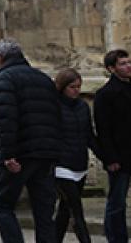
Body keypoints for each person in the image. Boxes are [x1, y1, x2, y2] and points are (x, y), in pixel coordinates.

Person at [0, 38, 61, 243]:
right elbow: (56, 116)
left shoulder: (4, 79)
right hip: (46, 153)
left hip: (20, 154)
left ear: (0, 58)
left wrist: (8, 154)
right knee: (44, 211)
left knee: (2, 204)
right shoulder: (44, 79)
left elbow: (7, 119)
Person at [94, 48, 131, 243]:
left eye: (129, 62)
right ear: (111, 69)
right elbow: (103, 129)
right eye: (122, 64)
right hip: (120, 155)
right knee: (117, 201)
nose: (128, 66)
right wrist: (110, 158)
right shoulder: (105, 94)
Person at [53, 68, 97, 243]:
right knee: (76, 210)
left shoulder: (82, 107)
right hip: (61, 166)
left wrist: (106, 157)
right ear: (62, 87)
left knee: (65, 209)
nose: (77, 90)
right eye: (72, 87)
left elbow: (89, 135)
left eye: (79, 86)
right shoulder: (54, 107)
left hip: (79, 162)